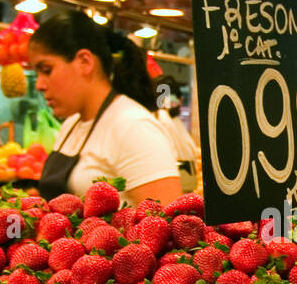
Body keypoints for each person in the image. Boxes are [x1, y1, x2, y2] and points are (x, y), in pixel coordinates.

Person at [27, 11, 181, 205]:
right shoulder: (71, 124)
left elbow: (164, 222)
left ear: (85, 62)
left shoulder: (133, 127)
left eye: (46, 70)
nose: (39, 84)